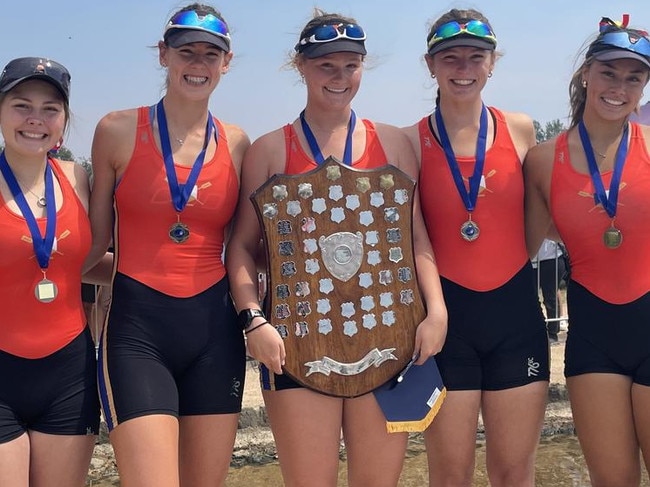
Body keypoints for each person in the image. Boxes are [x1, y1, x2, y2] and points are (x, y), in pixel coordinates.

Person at [226, 9, 447, 487]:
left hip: (387, 336)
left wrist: (437, 310)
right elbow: (241, 247)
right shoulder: (269, 150)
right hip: (297, 341)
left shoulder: (395, 143)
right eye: (326, 65)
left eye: (351, 64)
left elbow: (416, 239)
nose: (340, 77)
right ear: (300, 65)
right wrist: (253, 319)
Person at [84, 4, 250, 486]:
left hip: (215, 334)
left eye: (210, 55)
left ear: (227, 62)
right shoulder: (116, 130)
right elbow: (93, 247)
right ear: (164, 55)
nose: (197, 64)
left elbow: (244, 250)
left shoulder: (238, 143)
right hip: (137, 332)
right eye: (186, 52)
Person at [402, 8, 550, 486]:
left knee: (513, 472)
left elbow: (537, 221)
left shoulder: (521, 130)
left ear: (492, 63)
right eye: (450, 58)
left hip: (516, 316)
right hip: (446, 324)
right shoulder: (410, 143)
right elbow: (410, 235)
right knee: (450, 473)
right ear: (430, 64)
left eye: (475, 57)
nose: (463, 68)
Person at [524, 15, 650, 486]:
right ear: (586, 74)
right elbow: (517, 253)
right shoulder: (542, 160)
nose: (619, 87)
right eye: (609, 73)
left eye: (633, 77)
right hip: (594, 338)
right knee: (612, 480)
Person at [0, 57, 99, 486]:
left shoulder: (77, 178)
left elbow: (87, 263)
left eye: (50, 109)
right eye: (22, 105)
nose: (35, 120)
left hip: (70, 374)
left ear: (64, 120)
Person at [532, 239, 568, 342]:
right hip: (533, 258)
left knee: (550, 297)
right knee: (531, 297)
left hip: (552, 257)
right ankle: (540, 327)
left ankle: (552, 333)